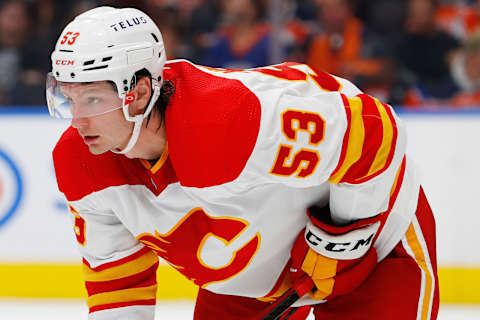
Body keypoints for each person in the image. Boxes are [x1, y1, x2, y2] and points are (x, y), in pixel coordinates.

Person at [47, 6, 439, 320]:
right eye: (68, 97)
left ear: (140, 91)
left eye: (93, 99)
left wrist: (341, 238)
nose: (77, 118)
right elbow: (119, 285)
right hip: (248, 282)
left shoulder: (229, 122)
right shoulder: (80, 163)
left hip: (377, 243)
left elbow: (376, 133)